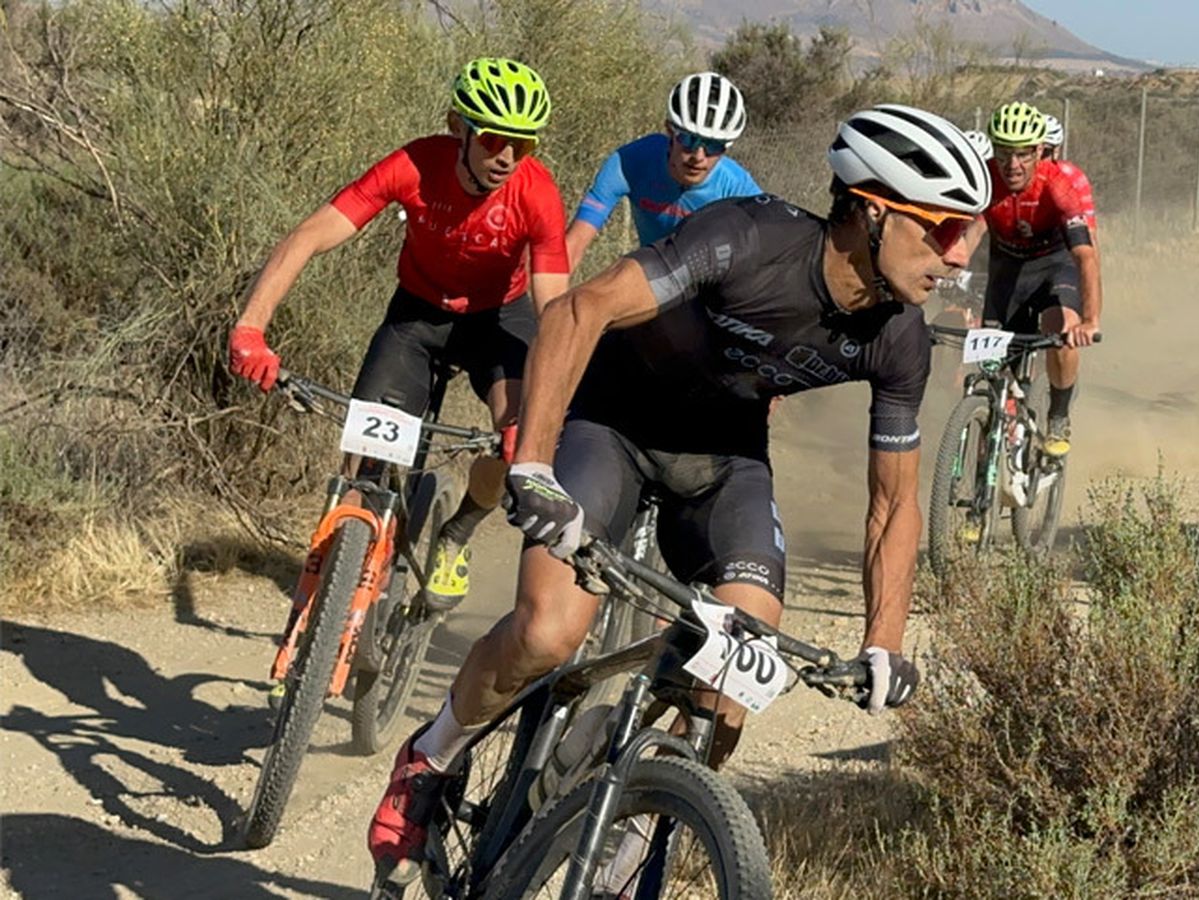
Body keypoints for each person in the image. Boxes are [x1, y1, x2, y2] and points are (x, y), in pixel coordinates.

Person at [367, 103, 990, 880]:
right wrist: (529, 465)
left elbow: (895, 502)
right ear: (871, 209)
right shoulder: (747, 236)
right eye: (942, 227)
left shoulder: (899, 336)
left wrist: (884, 643)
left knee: (742, 656)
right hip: (612, 428)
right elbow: (579, 309)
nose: (959, 255)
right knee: (550, 634)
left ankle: (630, 841)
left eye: (971, 232)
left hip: (723, 462)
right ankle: (432, 755)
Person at [228, 58, 571, 615]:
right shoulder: (413, 164)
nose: (506, 156)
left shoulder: (536, 193)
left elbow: (554, 309)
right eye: (492, 139)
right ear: (457, 128)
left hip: (498, 320)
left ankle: (457, 531)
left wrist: (541, 415)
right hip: (417, 317)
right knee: (362, 462)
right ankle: (322, 611)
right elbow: (311, 235)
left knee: (517, 437)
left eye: (522, 144)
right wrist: (250, 328)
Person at [961, 101, 1103, 457]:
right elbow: (966, 234)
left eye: (1023, 155)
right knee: (992, 367)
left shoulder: (1057, 185)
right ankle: (992, 440)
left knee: (1061, 330)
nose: (1013, 165)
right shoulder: (986, 181)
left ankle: (1058, 414)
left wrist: (1090, 319)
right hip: (1007, 272)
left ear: (1040, 150)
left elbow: (1086, 257)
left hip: (1055, 268)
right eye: (1005, 154)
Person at [564, 71, 761, 272]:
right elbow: (573, 247)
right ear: (669, 130)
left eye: (713, 146)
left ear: (726, 148)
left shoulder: (738, 188)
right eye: (689, 140)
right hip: (652, 278)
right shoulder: (630, 161)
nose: (698, 156)